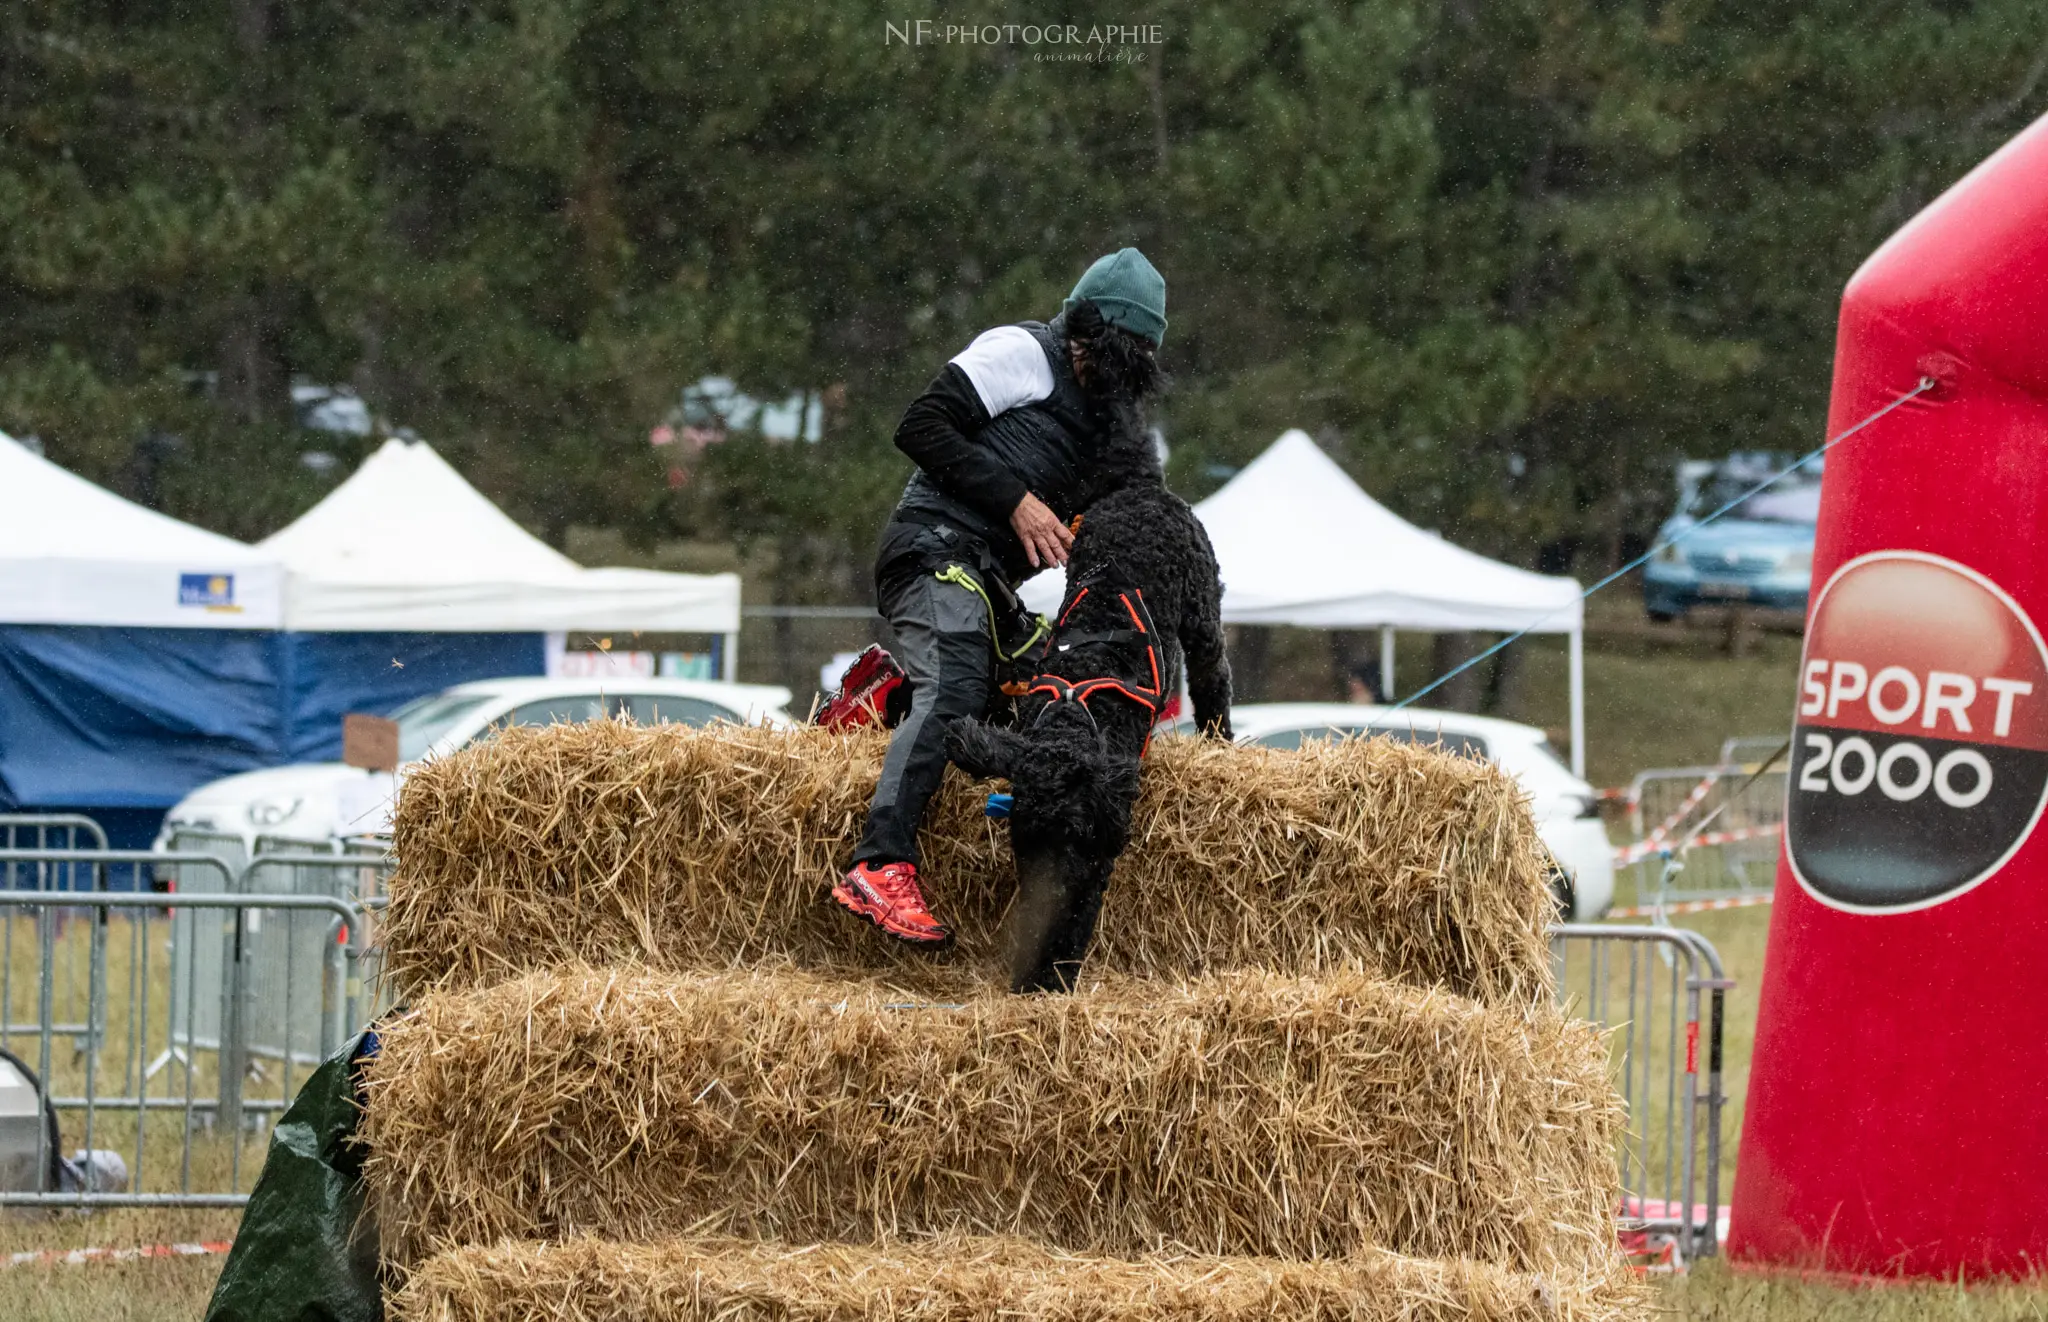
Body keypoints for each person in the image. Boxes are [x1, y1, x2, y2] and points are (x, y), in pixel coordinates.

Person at [832, 248, 1169, 945]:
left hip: (989, 589)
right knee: (956, 683)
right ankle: (879, 864)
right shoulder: (1022, 353)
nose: (1103, 377)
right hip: (928, 552)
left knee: (1057, 695)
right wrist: (1017, 502)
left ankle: (884, 699)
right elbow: (919, 426)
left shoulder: (1113, 423)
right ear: (1081, 329)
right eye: (1100, 356)